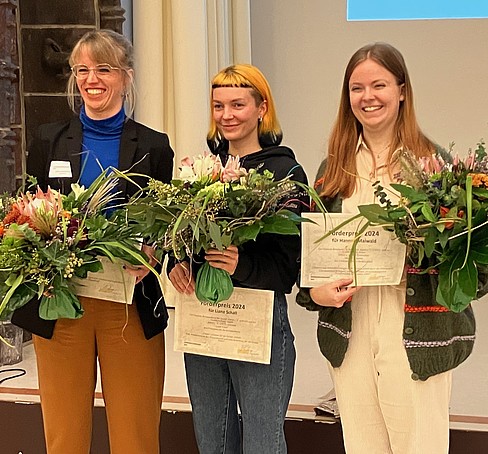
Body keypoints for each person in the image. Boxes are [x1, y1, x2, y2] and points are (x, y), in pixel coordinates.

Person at [296, 42, 488, 454]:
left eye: (379, 85)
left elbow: (477, 275)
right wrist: (316, 293)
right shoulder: (333, 171)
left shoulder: (438, 169)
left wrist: (421, 264)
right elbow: (309, 264)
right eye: (356, 88)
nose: (368, 97)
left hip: (416, 334)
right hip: (350, 333)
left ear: (402, 90)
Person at [11, 29, 174, 454]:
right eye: (82, 70)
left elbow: (167, 226)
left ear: (126, 76)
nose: (92, 79)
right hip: (61, 304)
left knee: (136, 435)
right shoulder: (48, 139)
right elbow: (27, 211)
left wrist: (155, 253)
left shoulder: (154, 146)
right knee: (64, 435)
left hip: (130, 305)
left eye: (103, 68)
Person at [169, 63, 308, 454]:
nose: (226, 115)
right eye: (218, 106)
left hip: (258, 325)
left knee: (263, 444)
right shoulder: (199, 171)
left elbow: (289, 266)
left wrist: (240, 265)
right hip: (204, 323)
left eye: (237, 104)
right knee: (212, 442)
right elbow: (178, 238)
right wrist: (177, 263)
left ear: (262, 108)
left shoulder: (285, 172)